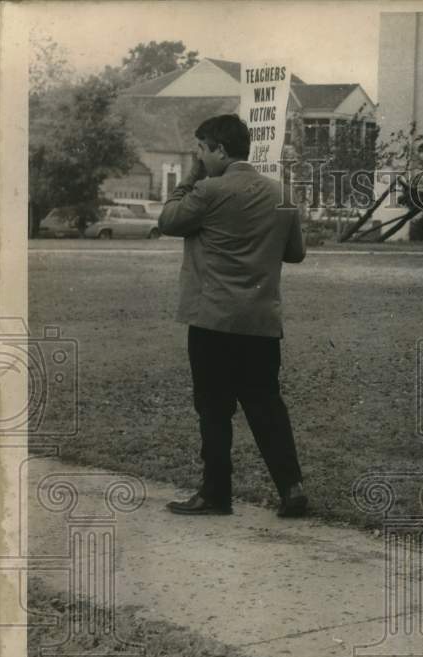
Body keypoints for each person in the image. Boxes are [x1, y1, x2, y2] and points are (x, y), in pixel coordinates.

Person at [159, 114, 309, 518]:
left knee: (213, 407)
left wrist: (191, 176)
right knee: (266, 405)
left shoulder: (207, 191)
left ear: (220, 150)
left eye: (202, 150)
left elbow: (168, 220)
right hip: (261, 321)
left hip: (213, 321)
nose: (200, 157)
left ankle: (215, 494)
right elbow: (295, 253)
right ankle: (291, 487)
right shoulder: (280, 192)